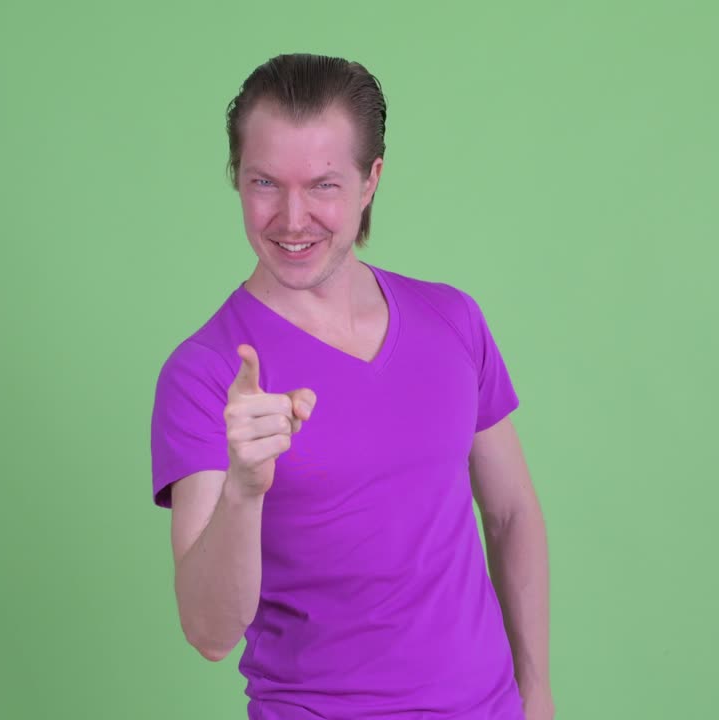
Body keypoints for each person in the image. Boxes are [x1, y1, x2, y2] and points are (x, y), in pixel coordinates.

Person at [150, 53, 554, 719]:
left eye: (323, 185)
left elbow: (511, 514)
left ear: (371, 181)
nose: (292, 217)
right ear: (236, 179)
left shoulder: (451, 320)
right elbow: (208, 632)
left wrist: (535, 698)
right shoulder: (205, 374)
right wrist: (245, 492)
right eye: (264, 182)